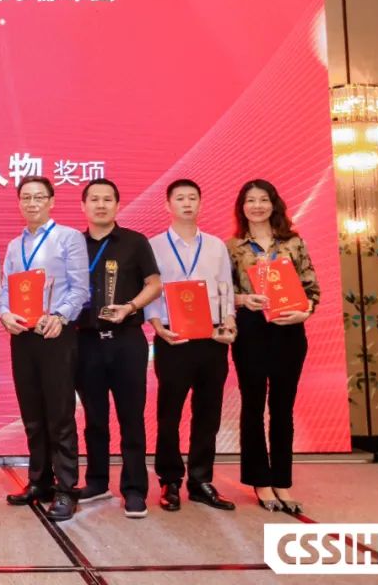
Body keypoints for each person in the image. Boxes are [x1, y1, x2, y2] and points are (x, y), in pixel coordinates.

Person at [0, 176, 89, 522]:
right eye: (26, 197)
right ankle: (40, 481)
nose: (32, 203)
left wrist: (60, 317)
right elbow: (6, 290)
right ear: (19, 203)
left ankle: (66, 489)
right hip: (23, 336)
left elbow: (80, 289)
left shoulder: (69, 238)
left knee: (60, 415)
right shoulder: (14, 244)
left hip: (55, 335)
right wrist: (5, 314)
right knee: (32, 413)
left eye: (39, 197)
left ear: (52, 201)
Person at [145, 179, 237, 513]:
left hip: (212, 338)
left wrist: (230, 322)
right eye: (180, 198)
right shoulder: (153, 245)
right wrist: (157, 325)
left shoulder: (215, 246)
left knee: (208, 412)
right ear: (167, 205)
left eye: (192, 198)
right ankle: (169, 480)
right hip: (173, 337)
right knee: (169, 413)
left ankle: (201, 480)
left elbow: (226, 287)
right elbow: (151, 290)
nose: (187, 203)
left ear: (200, 203)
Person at [228, 179, 319, 514]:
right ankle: (260, 481)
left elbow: (312, 288)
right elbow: (223, 291)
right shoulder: (233, 247)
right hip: (251, 330)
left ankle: (282, 480)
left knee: (283, 407)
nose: (257, 206)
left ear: (273, 204)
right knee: (253, 405)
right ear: (242, 207)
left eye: (263, 199)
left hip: (289, 330)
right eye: (250, 200)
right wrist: (243, 299)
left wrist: (304, 311)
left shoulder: (293, 242)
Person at [75, 178, 162, 519]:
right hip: (86, 341)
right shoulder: (73, 244)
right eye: (94, 199)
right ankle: (97, 481)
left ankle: (135, 489)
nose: (101, 205)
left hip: (127, 341)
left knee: (131, 417)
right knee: (94, 418)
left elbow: (154, 284)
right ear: (84, 205)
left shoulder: (135, 242)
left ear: (117, 204)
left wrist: (130, 307)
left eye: (107, 199)